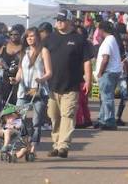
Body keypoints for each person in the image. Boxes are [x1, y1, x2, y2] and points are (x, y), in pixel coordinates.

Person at [43, 10, 93, 158]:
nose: (59, 22)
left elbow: (87, 61)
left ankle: (63, 146)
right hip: (53, 85)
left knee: (68, 115)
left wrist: (88, 80)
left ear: (70, 21)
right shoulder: (50, 39)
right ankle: (56, 144)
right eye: (57, 19)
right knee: (54, 116)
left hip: (71, 85)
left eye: (62, 20)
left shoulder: (79, 40)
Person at [12, 27, 51, 156]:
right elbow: (20, 71)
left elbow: (49, 72)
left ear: (38, 37)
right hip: (24, 89)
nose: (29, 38)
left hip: (38, 90)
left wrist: (42, 79)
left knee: (36, 122)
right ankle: (25, 145)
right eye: (28, 36)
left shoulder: (43, 51)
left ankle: (32, 148)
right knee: (18, 118)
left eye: (32, 36)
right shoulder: (24, 52)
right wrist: (15, 80)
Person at [94, 21, 123, 130]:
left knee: (106, 97)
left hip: (108, 72)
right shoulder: (112, 39)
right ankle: (102, 119)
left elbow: (105, 58)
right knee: (105, 97)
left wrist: (100, 72)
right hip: (113, 71)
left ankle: (109, 120)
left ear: (101, 30)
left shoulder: (107, 42)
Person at [0, 27, 23, 105]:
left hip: (19, 78)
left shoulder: (24, 48)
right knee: (6, 99)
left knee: (17, 99)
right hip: (6, 78)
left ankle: (17, 116)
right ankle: (7, 116)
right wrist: (0, 64)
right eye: (11, 34)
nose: (13, 36)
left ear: (20, 35)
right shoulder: (4, 47)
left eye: (16, 34)